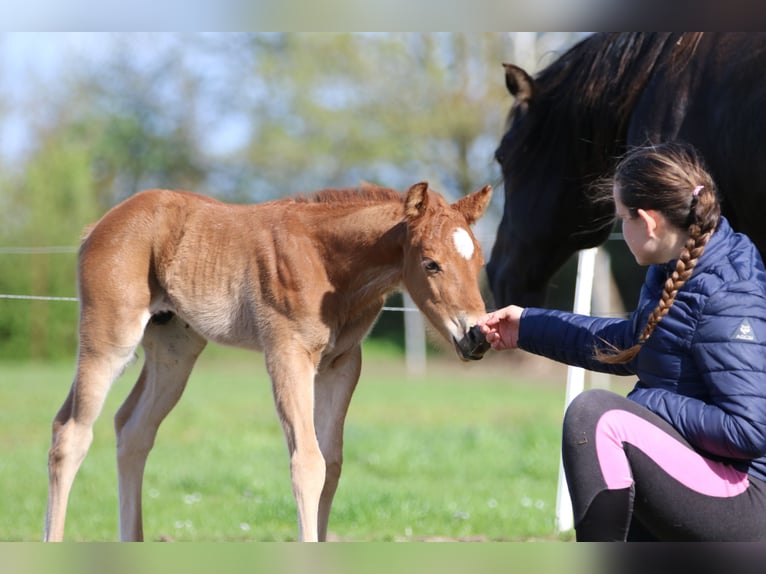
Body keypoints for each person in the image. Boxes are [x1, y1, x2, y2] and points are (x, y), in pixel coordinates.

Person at [478, 141, 766, 541]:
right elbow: (631, 343)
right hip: (704, 474)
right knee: (613, 424)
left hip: (748, 501)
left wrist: (649, 403)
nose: (620, 230)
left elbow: (750, 430)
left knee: (597, 415)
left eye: (621, 220)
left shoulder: (728, 294)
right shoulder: (675, 267)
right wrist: (527, 325)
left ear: (648, 222)